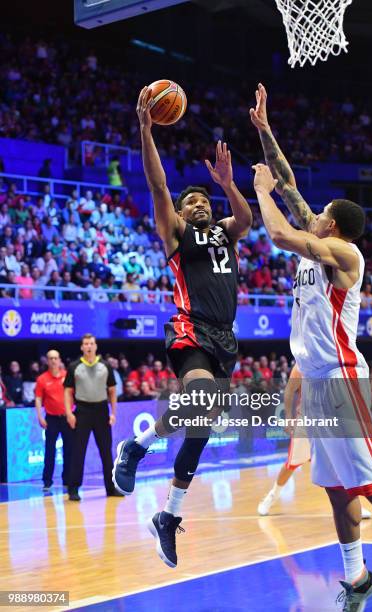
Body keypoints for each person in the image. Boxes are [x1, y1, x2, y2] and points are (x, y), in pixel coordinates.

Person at [250, 83, 372, 611]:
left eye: (319, 215)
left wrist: (261, 191)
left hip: (341, 377)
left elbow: (278, 231)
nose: (310, 214)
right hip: (316, 381)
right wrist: (266, 131)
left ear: (333, 225)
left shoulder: (342, 252)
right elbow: (292, 185)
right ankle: (358, 578)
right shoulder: (322, 239)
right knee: (337, 489)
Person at [113, 85, 252, 568]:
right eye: (190, 201)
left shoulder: (225, 231)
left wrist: (230, 183)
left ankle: (168, 517)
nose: (197, 205)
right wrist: (146, 130)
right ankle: (137, 445)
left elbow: (246, 218)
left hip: (225, 338)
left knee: (200, 429)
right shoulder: (176, 232)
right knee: (200, 400)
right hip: (189, 327)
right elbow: (157, 187)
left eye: (202, 201)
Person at [257, 363, 372, 519]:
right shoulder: (300, 365)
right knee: (292, 464)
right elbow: (290, 390)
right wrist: (289, 418)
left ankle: (354, 504)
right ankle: (272, 496)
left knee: (340, 463)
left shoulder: (331, 363)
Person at [64, 334, 123, 501]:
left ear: (96, 346)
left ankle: (111, 488)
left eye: (91, 343)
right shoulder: (74, 366)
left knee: (106, 451)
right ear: (82, 347)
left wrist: (113, 413)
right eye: (85, 344)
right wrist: (69, 413)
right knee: (78, 451)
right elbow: (67, 391)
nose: (88, 346)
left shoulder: (105, 366)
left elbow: (112, 391)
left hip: (101, 410)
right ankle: (73, 489)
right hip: (82, 410)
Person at [35, 350, 72, 493]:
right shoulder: (42, 379)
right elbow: (38, 399)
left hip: (66, 417)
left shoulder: (67, 375)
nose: (53, 361)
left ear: (59, 360)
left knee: (68, 450)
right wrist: (39, 416)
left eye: (56, 358)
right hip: (51, 419)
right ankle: (47, 481)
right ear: (47, 361)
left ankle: (67, 480)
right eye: (50, 358)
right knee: (49, 450)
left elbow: (73, 394)